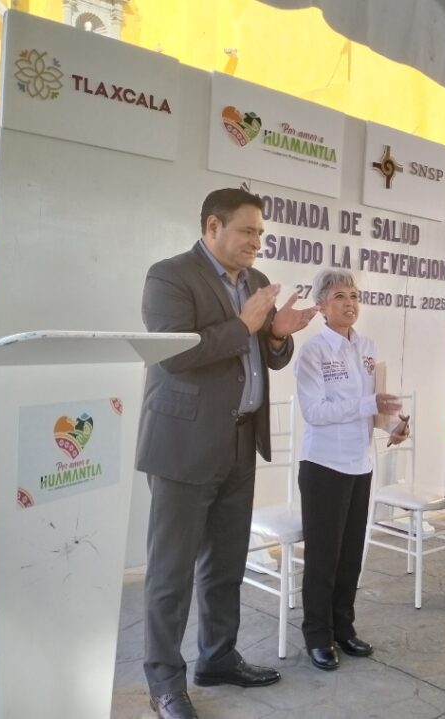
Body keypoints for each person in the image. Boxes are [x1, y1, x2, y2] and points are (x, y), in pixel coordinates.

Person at [135, 188, 318, 719]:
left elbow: (268, 357)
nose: (257, 242)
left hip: (240, 441)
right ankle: (164, 683)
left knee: (225, 564)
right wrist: (244, 326)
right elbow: (174, 353)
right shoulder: (169, 276)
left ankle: (217, 658)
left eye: (261, 233)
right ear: (213, 226)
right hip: (184, 446)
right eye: (247, 231)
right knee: (171, 574)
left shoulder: (256, 283)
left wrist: (276, 336)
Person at [293, 268, 409, 672]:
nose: (349, 303)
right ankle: (317, 635)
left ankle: (343, 627)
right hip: (324, 464)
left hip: (360, 464)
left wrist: (395, 426)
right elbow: (315, 412)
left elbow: (375, 406)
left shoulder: (367, 347)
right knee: (323, 557)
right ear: (322, 306)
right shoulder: (313, 351)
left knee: (350, 556)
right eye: (340, 296)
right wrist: (367, 405)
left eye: (354, 295)